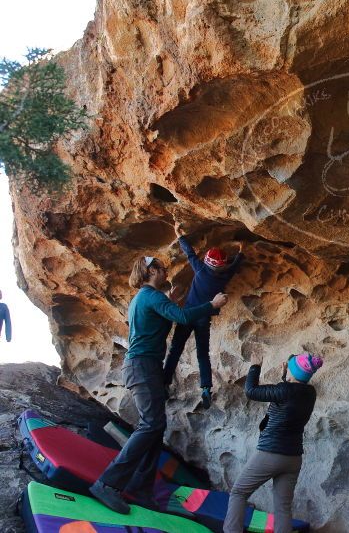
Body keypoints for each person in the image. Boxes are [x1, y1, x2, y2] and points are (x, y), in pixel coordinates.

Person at [89, 255, 229, 514]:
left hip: (146, 367)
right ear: (151, 270)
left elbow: (159, 321)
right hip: (141, 366)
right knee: (151, 424)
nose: (166, 272)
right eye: (162, 268)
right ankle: (107, 484)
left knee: (156, 426)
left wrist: (171, 302)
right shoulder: (150, 296)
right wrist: (211, 304)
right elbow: (184, 317)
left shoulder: (147, 299)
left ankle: (142, 490)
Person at [223, 353, 323, 533]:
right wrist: (286, 375)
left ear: (294, 373)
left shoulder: (284, 391)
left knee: (238, 493)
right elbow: (290, 392)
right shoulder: (310, 394)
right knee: (283, 508)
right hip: (293, 458)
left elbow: (251, 391)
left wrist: (255, 366)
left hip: (270, 454)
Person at [163, 228, 243, 409]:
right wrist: (241, 252)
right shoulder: (224, 275)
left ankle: (164, 383)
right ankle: (206, 388)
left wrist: (180, 235)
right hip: (204, 318)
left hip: (188, 314)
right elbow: (234, 266)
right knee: (202, 354)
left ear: (207, 262)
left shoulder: (200, 270)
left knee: (175, 349)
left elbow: (190, 253)